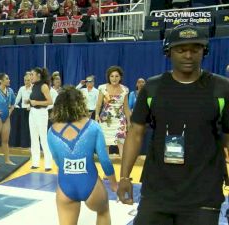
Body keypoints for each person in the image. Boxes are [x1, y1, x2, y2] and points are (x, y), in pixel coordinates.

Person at [117, 24, 229, 225]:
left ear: (205, 51)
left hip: (203, 194)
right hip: (157, 192)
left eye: (195, 50)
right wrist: (124, 177)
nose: (188, 55)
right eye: (181, 50)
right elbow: (135, 133)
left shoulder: (221, 88)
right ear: (168, 52)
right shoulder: (152, 88)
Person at [48, 86, 117, 225]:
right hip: (90, 184)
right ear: (80, 103)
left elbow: (57, 160)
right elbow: (104, 160)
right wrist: (114, 183)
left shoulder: (51, 131)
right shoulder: (93, 126)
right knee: (103, 212)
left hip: (65, 185)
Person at [95, 66, 131, 157]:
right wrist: (96, 115)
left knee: (121, 143)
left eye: (116, 76)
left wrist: (129, 122)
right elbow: (99, 104)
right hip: (105, 120)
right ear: (108, 77)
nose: (114, 78)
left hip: (120, 121)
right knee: (105, 144)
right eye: (112, 76)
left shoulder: (125, 90)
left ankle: (123, 169)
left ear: (120, 77)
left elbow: (126, 108)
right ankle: (107, 169)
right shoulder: (103, 88)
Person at [29, 67, 53, 171]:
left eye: (32, 75)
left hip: (42, 113)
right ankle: (35, 162)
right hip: (33, 112)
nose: (30, 77)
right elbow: (33, 100)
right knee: (34, 138)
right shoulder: (33, 86)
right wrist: (29, 103)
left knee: (43, 138)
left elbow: (50, 102)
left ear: (38, 75)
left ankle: (48, 164)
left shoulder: (44, 86)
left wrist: (36, 103)